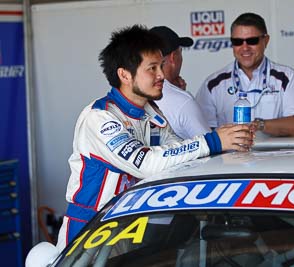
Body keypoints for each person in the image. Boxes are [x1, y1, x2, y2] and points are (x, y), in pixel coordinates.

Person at [56, 25, 253, 250]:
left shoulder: (150, 111)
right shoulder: (99, 118)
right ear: (124, 75)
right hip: (89, 232)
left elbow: (177, 152)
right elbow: (148, 164)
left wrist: (225, 142)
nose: (161, 75)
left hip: (127, 226)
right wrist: (213, 141)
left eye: (161, 66)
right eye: (152, 68)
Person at [195, 12, 294, 137]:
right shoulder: (213, 84)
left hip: (276, 156)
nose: (245, 48)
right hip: (229, 156)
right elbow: (202, 134)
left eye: (252, 41)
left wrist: (260, 125)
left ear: (266, 41)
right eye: (237, 42)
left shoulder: (286, 77)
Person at [150, 26, 210, 139]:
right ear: (173, 57)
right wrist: (179, 95)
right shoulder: (183, 101)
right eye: (180, 52)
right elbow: (210, 146)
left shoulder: (134, 93)